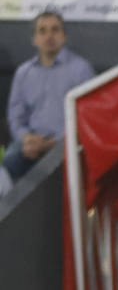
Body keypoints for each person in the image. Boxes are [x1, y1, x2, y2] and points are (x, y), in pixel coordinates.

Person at [0, 11, 94, 196]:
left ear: (64, 36)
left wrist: (55, 142)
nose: (49, 36)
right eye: (42, 31)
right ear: (34, 39)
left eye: (55, 30)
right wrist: (26, 138)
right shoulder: (23, 73)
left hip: (66, 143)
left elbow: (88, 116)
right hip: (30, 144)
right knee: (9, 163)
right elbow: (15, 116)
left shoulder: (81, 69)